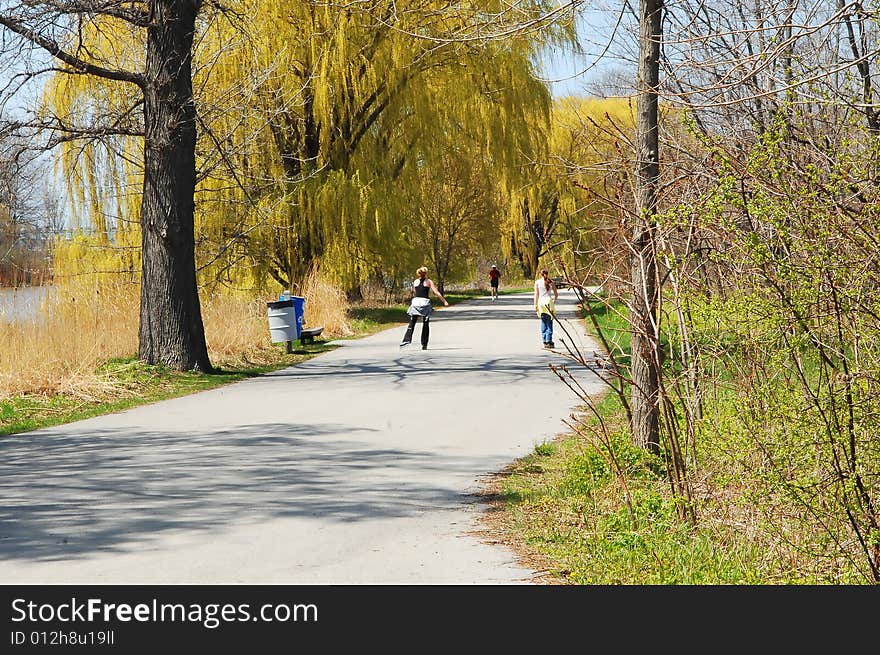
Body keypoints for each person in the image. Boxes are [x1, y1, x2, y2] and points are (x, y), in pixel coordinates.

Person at [400, 266, 449, 350]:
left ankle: (406, 340)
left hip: (416, 303)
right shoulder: (429, 282)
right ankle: (424, 344)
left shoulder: (415, 282)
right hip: (425, 304)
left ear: (418, 273)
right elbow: (436, 292)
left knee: (412, 322)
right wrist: (444, 301)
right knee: (425, 324)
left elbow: (415, 292)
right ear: (426, 273)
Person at [533, 269, 559, 349]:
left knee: (543, 321)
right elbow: (556, 294)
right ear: (547, 274)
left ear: (540, 274)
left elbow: (536, 294)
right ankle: (549, 340)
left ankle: (544, 340)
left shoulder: (537, 282)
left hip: (541, 303)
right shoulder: (551, 282)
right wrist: (553, 301)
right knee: (549, 322)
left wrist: (535, 304)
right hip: (548, 302)